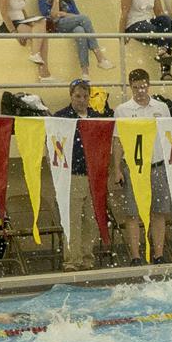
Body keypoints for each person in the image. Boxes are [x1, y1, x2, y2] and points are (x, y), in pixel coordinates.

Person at [112, 68, 172, 262]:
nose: (140, 91)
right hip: (134, 168)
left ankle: (159, 254)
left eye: (143, 87)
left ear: (149, 85)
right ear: (130, 87)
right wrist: (117, 169)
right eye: (136, 87)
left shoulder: (162, 108)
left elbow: (170, 137)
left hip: (157, 165)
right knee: (132, 213)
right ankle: (136, 256)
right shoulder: (122, 110)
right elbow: (118, 141)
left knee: (158, 211)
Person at [54, 78, 104, 268]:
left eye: (85, 96)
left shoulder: (96, 118)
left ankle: (87, 258)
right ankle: (72, 260)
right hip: (71, 176)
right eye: (77, 96)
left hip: (92, 177)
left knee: (90, 220)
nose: (81, 100)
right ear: (71, 96)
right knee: (72, 220)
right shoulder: (61, 118)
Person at [38, 0, 110, 74]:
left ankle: (85, 71)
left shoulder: (69, 0)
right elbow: (53, 16)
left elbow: (77, 16)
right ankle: (99, 55)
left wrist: (65, 14)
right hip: (56, 26)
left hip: (70, 24)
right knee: (85, 18)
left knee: (80, 30)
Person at [0, 0, 50, 78]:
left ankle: (42, 68)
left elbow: (21, 8)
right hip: (6, 24)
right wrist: (14, 33)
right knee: (38, 35)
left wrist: (29, 20)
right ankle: (42, 68)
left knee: (42, 26)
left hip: (20, 21)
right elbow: (4, 12)